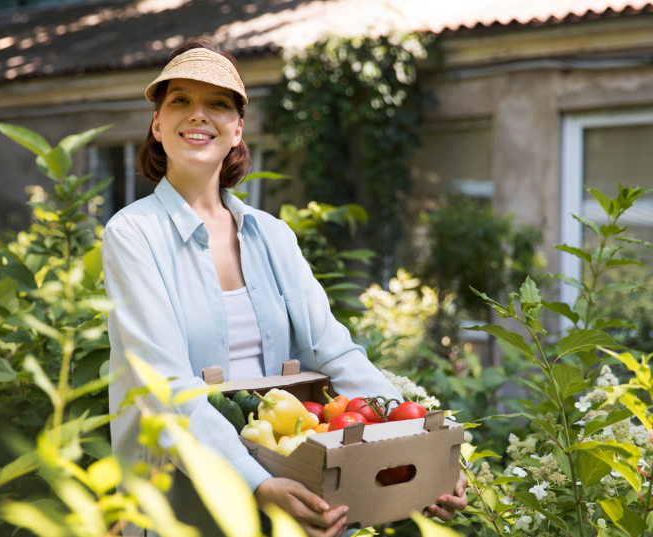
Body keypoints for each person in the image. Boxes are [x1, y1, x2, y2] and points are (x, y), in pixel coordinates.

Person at [103, 38, 468, 537]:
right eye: (180, 101)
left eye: (217, 104)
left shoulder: (272, 235)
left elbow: (337, 354)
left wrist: (419, 456)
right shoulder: (133, 234)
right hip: (180, 497)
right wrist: (253, 483)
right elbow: (167, 388)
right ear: (157, 124)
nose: (198, 115)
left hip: (291, 481)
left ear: (237, 129)